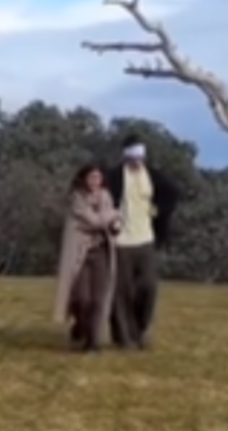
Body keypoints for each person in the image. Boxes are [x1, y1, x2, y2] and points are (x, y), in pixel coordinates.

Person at [105, 133, 178, 350]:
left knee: (148, 287)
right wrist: (111, 218)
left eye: (141, 157)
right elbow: (101, 199)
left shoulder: (153, 176)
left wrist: (159, 211)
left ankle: (139, 330)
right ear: (125, 157)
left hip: (146, 239)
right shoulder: (114, 177)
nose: (137, 161)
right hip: (120, 242)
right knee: (121, 293)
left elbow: (172, 193)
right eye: (133, 157)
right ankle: (124, 337)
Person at [53, 163, 122, 353]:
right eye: (91, 177)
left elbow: (112, 224)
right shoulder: (77, 198)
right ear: (83, 178)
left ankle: (93, 343)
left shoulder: (106, 197)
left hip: (102, 252)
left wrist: (115, 224)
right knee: (82, 298)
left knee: (99, 299)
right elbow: (94, 221)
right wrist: (115, 214)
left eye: (98, 178)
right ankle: (80, 326)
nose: (95, 182)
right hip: (80, 253)